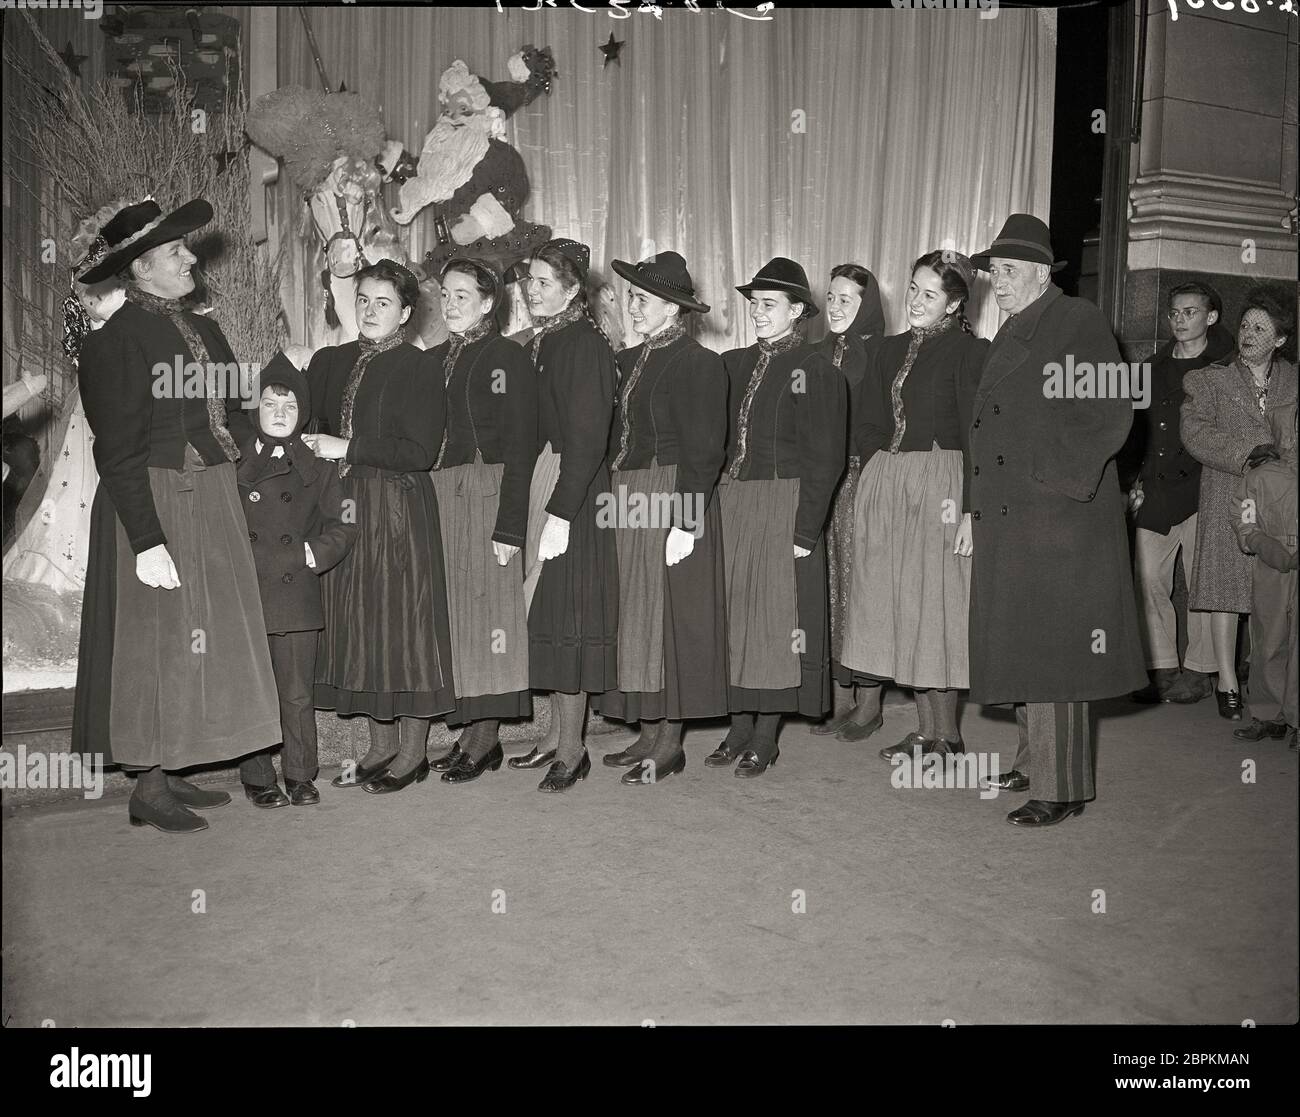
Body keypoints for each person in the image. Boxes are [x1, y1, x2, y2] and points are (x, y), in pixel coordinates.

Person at [70, 197, 281, 833]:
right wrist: (146, 538)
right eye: (174, 252)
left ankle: (176, 762)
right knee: (155, 638)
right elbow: (117, 450)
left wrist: (249, 460)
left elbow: (233, 405)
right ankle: (148, 784)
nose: (191, 257)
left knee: (205, 632)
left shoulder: (203, 326)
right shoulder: (115, 341)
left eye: (185, 247)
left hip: (210, 493)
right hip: (157, 498)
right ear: (139, 270)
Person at [967, 214, 1145, 826]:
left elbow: (1110, 414)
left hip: (1057, 518)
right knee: (1021, 643)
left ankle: (1060, 786)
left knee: (1055, 653)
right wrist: (975, 507)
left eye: (1010, 273)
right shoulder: (1013, 330)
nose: (1001, 285)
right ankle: (1030, 757)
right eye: (995, 275)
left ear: (1043, 274)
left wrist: (1051, 483)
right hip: (1011, 517)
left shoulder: (1078, 322)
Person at [302, 259, 456, 793]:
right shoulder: (327, 361)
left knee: (402, 625)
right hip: (340, 506)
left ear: (407, 312)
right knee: (360, 624)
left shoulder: (419, 367)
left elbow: (421, 451)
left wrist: (350, 447)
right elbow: (306, 428)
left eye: (383, 303)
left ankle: (412, 754)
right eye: (363, 299)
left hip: (396, 508)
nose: (369, 311)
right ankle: (379, 745)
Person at [841, 251, 987, 759]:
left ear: (953, 305)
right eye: (912, 288)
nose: (916, 301)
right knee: (900, 607)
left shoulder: (971, 353)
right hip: (890, 483)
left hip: (941, 485)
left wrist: (971, 510)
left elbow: (977, 436)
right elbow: (866, 421)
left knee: (936, 608)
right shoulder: (886, 350)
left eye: (930, 294)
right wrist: (879, 468)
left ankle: (946, 735)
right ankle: (927, 729)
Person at [592, 251, 730, 785]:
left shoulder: (700, 363)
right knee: (637, 616)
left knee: (671, 619)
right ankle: (647, 732)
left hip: (670, 497)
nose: (632, 306)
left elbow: (704, 452)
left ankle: (670, 744)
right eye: (629, 296)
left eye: (642, 299)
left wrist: (686, 520)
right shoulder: (626, 361)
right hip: (626, 498)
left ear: (674, 310)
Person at [704, 258, 846, 776]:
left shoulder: (816, 368)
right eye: (754, 304)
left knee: (776, 622)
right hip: (733, 502)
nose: (758, 313)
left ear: (798, 312)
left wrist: (805, 528)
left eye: (769, 305)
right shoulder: (733, 364)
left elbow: (826, 458)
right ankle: (739, 725)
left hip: (783, 506)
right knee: (736, 618)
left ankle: (766, 733)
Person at [505, 238, 619, 791]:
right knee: (546, 616)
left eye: (545, 281)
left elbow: (590, 439)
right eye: (529, 280)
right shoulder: (544, 341)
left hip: (573, 488)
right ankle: (552, 735)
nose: (532, 290)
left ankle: (574, 749)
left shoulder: (584, 344)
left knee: (569, 618)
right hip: (544, 481)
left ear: (574, 289)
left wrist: (562, 512)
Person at [427, 259, 537, 783]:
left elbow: (521, 445)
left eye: (463, 295)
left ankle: (485, 736)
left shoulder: (504, 358)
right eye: (445, 294)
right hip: (445, 493)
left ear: (489, 302)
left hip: (488, 493)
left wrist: (510, 525)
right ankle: (472, 733)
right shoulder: (436, 357)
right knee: (459, 614)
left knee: (490, 612)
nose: (450, 303)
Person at [233, 353, 358, 807]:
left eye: (289, 407)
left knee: (297, 692)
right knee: (255, 688)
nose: (280, 414)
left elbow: (344, 521)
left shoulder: (319, 467)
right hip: (248, 592)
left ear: (302, 412)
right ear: (256, 409)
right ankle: (257, 774)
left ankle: (301, 774)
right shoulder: (235, 460)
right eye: (270, 404)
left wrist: (312, 551)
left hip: (295, 592)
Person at [1181, 285, 1298, 721]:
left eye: (1261, 328)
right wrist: (1249, 451)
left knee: (1274, 593)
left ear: (1280, 340)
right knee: (1226, 593)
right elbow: (1195, 434)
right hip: (1227, 494)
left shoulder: (1293, 379)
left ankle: (1270, 683)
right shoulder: (1208, 378)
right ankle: (1227, 681)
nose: (1248, 334)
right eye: (1245, 325)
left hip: (1281, 503)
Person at [1122, 281, 1235, 704]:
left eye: (1190, 312)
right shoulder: (1152, 367)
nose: (1180, 320)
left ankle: (1201, 669)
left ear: (1211, 317)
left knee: (1206, 584)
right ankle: (1161, 665)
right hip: (1156, 487)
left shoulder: (1225, 369)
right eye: (1174, 313)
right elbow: (1133, 430)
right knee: (1148, 577)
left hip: (1207, 487)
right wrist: (1134, 480)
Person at [810, 263, 888, 741]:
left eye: (847, 300)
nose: (836, 307)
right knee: (826, 589)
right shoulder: (813, 353)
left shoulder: (880, 354)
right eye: (832, 298)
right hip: (818, 483)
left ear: (867, 306)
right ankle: (839, 699)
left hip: (861, 479)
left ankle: (870, 704)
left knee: (862, 589)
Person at [1231, 402, 1297, 747]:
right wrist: (1258, 541)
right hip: (1273, 564)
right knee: (1268, 639)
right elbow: (1244, 515)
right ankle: (1268, 713)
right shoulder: (1260, 476)